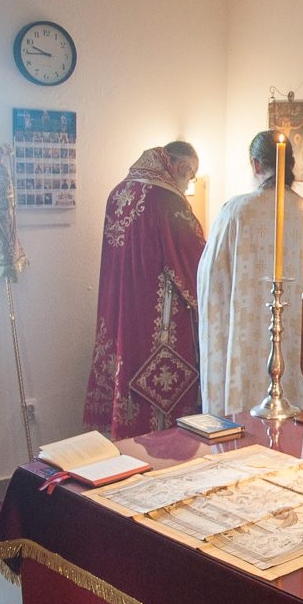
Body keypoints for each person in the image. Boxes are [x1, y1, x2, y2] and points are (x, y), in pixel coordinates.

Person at [84, 142, 205, 440]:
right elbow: (197, 265)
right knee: (161, 412)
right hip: (156, 326)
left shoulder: (118, 192)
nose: (188, 185)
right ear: (181, 168)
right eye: (190, 177)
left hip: (120, 314)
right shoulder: (168, 201)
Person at [197, 131, 303, 417]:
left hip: (244, 340)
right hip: (299, 338)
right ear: (291, 165)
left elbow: (210, 281)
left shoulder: (236, 211)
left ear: (256, 165)